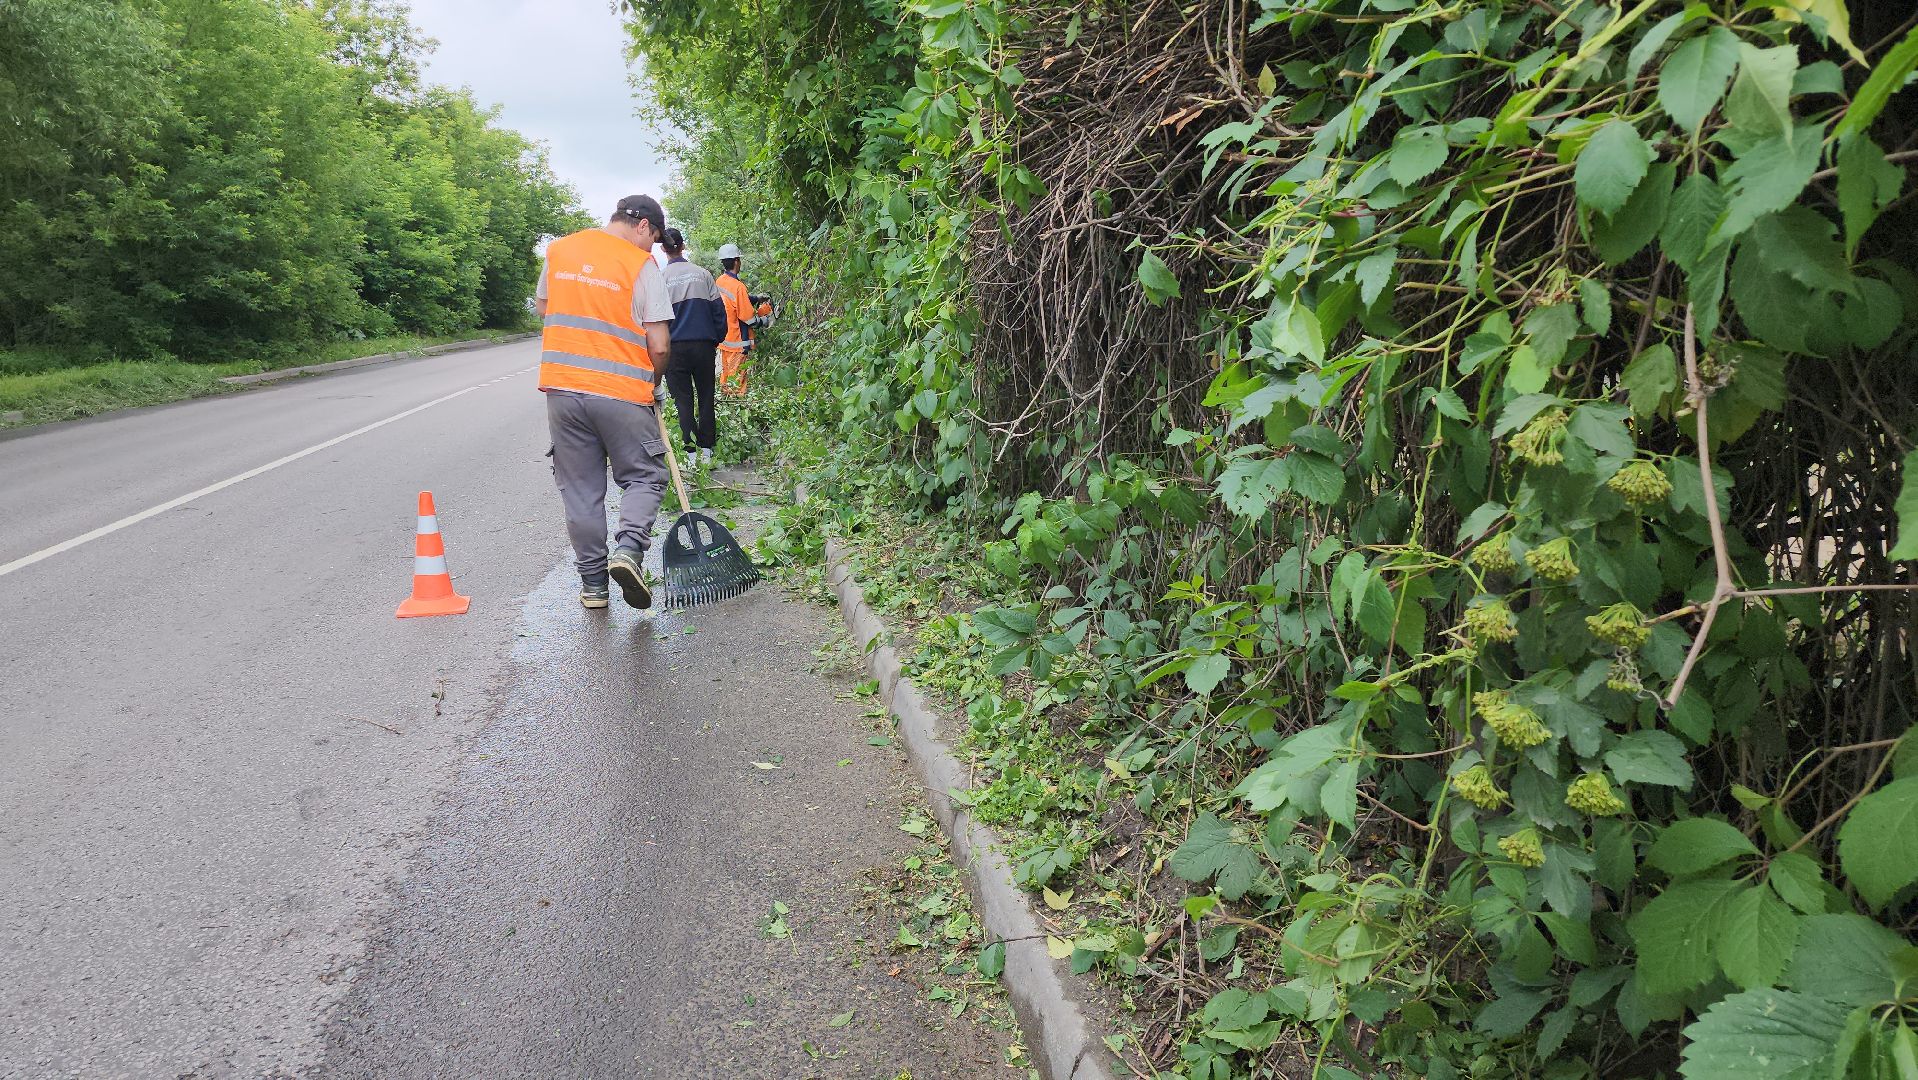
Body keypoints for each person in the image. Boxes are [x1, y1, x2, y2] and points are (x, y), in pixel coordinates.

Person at [534, 194, 674, 611]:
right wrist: (655, 382)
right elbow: (660, 343)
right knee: (645, 476)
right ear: (645, 226)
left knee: (580, 490)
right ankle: (629, 549)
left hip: (562, 390)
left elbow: (545, 307)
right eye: (655, 239)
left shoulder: (560, 250)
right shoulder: (639, 265)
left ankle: (593, 586)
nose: (653, 248)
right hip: (622, 392)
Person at [657, 228, 727, 466]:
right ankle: (707, 449)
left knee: (683, 400)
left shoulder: (661, 279)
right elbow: (719, 311)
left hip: (674, 349)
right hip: (703, 346)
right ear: (683, 246)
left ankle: (690, 452)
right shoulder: (703, 274)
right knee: (706, 396)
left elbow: (655, 320)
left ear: (663, 249)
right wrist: (716, 339)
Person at [714, 242, 754, 397]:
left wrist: (754, 298)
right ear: (737, 261)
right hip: (738, 342)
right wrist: (765, 320)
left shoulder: (719, 281)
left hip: (724, 340)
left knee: (726, 377)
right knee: (737, 382)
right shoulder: (738, 287)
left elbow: (732, 302)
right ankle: (737, 409)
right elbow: (748, 317)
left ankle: (727, 409)